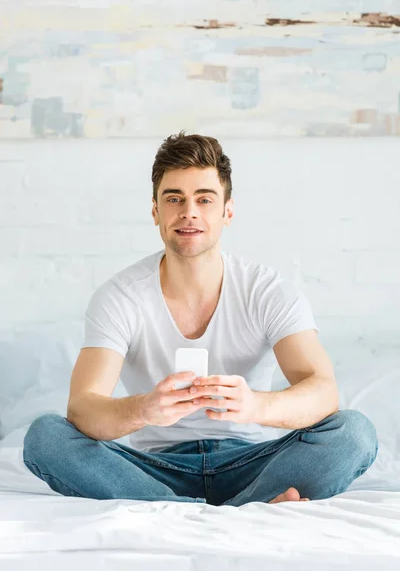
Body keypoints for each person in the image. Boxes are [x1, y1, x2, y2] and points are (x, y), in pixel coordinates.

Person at [23, 131, 378, 507]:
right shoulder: (120, 296)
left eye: (204, 199)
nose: (188, 211)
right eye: (174, 198)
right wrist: (145, 408)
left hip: (253, 461)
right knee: (45, 437)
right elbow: (83, 408)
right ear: (156, 211)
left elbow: (323, 391)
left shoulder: (268, 290)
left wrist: (254, 406)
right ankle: (239, 511)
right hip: (153, 467)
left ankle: (174, 513)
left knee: (354, 433)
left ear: (227, 211)